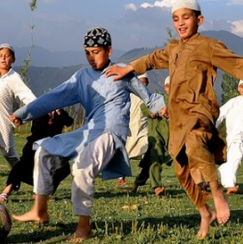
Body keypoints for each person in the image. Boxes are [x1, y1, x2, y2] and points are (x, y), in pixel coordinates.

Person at [106, 0, 243, 239]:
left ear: (199, 20)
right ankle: (205, 212)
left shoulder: (209, 46)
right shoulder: (172, 49)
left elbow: (239, 66)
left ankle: (217, 192)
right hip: (178, 117)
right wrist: (129, 68)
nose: (180, 23)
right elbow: (151, 59)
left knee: (195, 141)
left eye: (186, 17)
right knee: (182, 170)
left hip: (200, 111)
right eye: (176, 19)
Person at [10, 27, 166, 242]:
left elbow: (147, 97)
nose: (91, 58)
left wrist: (161, 107)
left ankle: (84, 227)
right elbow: (54, 97)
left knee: (83, 167)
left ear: (109, 50)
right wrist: (24, 113)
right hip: (90, 130)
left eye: (96, 52)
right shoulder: (82, 77)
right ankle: (40, 210)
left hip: (111, 131)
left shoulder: (121, 71)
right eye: (87, 52)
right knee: (44, 150)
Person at [0, 108, 74, 203]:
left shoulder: (60, 113)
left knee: (63, 168)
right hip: (35, 144)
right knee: (22, 165)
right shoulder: (40, 111)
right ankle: (6, 192)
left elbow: (69, 122)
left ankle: (42, 192)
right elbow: (35, 128)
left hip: (53, 146)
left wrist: (60, 113)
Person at [130, 76, 172, 196]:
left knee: (149, 163)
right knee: (155, 160)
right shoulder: (158, 99)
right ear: (165, 87)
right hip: (156, 134)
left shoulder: (179, 101)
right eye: (169, 86)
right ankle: (157, 187)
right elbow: (144, 107)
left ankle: (137, 183)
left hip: (172, 137)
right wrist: (151, 113)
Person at [117, 73, 149, 185]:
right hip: (130, 129)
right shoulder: (129, 96)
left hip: (144, 128)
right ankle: (121, 176)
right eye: (141, 82)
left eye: (145, 82)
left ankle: (144, 176)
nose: (143, 84)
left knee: (147, 150)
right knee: (127, 153)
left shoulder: (149, 96)